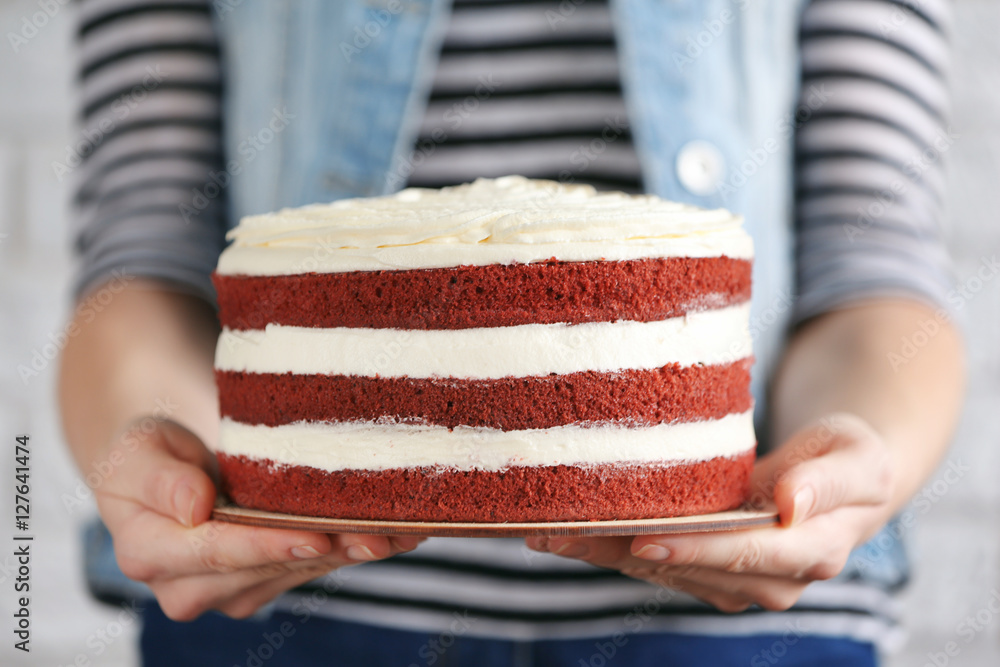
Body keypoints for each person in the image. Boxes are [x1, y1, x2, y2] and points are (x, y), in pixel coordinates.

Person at [59, 0, 964, 665]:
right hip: (288, 622)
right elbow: (145, 247)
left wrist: (852, 458)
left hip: (740, 633)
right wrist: (148, 456)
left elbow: (873, 261)